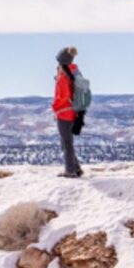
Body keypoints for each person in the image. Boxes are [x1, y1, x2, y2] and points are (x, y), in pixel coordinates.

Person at [52, 47, 84, 178]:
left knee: (66, 142)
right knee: (66, 141)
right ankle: (75, 168)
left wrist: (56, 106)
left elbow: (63, 95)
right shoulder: (73, 72)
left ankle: (70, 171)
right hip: (72, 112)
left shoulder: (64, 76)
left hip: (64, 112)